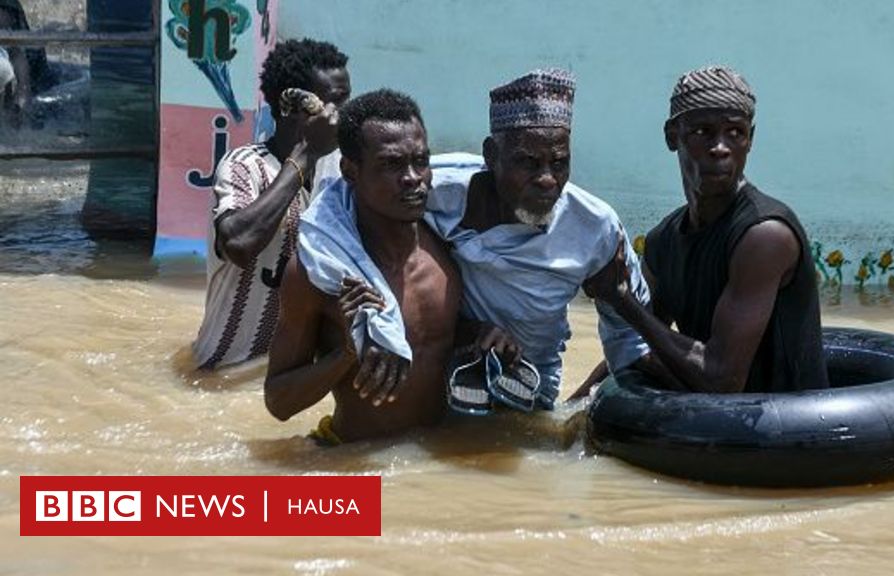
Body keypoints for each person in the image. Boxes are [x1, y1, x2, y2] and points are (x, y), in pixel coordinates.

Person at [579, 65, 829, 394]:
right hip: (713, 424)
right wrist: (568, 410)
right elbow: (638, 345)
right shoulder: (664, 239)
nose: (720, 147)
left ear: (750, 140)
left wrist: (622, 299)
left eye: (735, 133)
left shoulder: (765, 236)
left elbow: (722, 380)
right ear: (672, 136)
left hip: (785, 431)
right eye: (703, 132)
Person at [422, 69, 654, 409]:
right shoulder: (433, 189)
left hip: (529, 384)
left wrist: (576, 416)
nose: (547, 180)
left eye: (559, 163)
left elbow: (629, 339)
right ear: (491, 156)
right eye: (528, 163)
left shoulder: (595, 228)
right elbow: (352, 197)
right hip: (442, 368)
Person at [264, 89, 462, 442]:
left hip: (437, 464)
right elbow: (278, 402)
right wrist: (346, 355)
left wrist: (488, 336)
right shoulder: (319, 273)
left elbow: (443, 343)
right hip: (353, 460)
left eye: (421, 161)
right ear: (350, 170)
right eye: (391, 164)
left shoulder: (449, 248)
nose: (413, 177)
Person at [192, 39, 351, 370]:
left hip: (289, 377)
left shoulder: (341, 170)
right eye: (334, 103)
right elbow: (238, 243)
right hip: (223, 373)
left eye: (346, 101)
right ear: (291, 107)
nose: (342, 115)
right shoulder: (243, 166)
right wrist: (305, 155)